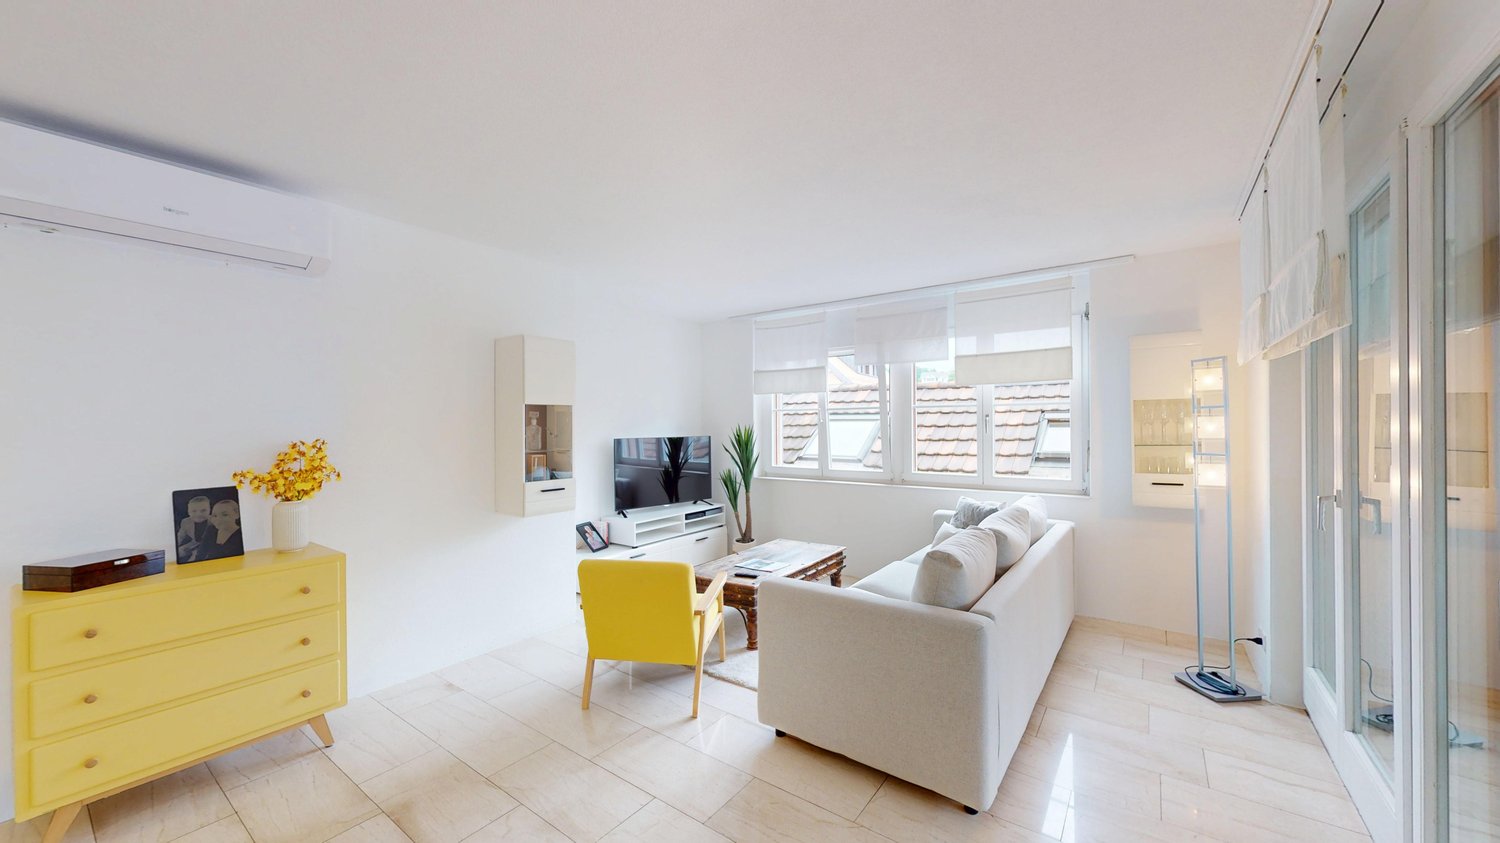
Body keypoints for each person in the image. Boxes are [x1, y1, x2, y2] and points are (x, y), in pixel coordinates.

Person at [176, 495, 212, 561]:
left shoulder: (214, 521)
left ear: (210, 510)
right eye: (194, 511)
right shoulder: (185, 522)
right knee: (178, 552)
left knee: (194, 558)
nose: (198, 514)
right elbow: (180, 537)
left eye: (203, 510)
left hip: (209, 546)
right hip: (194, 544)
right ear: (188, 512)